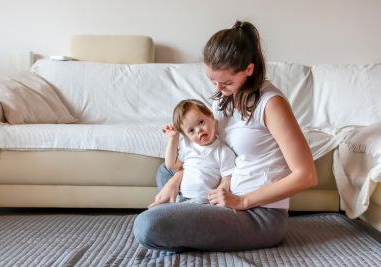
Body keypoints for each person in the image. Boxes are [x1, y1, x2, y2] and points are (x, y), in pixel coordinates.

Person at [134, 20, 317, 252]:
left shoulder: (272, 104)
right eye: (213, 81)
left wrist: (241, 201)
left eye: (227, 82)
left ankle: (183, 221)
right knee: (166, 170)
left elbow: (307, 176)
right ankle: (187, 217)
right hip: (220, 193)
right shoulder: (223, 98)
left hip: (256, 213)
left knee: (147, 225)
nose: (218, 89)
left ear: (249, 69)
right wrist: (175, 180)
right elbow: (206, 147)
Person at [158, 99, 236, 205]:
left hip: (204, 200)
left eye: (201, 122)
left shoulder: (223, 151)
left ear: (211, 117)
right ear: (186, 135)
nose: (199, 130)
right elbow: (171, 164)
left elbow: (226, 179)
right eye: (191, 130)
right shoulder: (187, 144)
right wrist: (174, 139)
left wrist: (218, 195)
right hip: (180, 197)